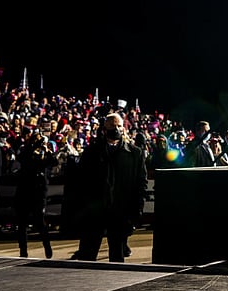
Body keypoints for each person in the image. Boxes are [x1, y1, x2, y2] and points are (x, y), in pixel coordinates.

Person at [74, 112, 148, 262]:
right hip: (95, 213)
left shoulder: (135, 154)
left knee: (117, 259)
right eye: (113, 126)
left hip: (121, 213)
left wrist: (136, 211)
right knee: (87, 257)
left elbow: (141, 184)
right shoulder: (91, 153)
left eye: (119, 126)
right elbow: (81, 183)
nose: (117, 129)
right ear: (104, 129)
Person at [13, 127, 56, 258]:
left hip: (38, 193)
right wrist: (33, 147)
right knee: (22, 223)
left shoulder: (43, 156)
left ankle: (47, 246)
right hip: (24, 192)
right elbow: (21, 158)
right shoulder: (26, 153)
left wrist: (46, 150)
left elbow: (53, 162)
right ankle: (23, 250)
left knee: (40, 222)